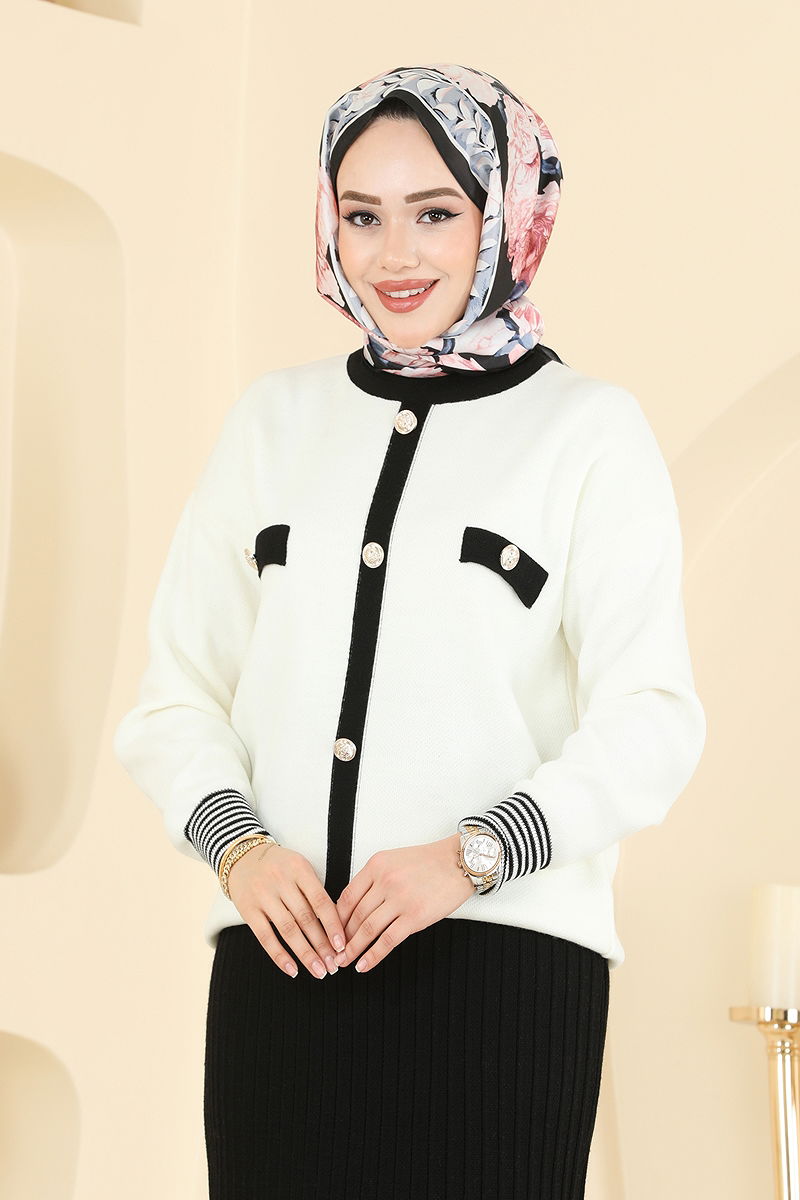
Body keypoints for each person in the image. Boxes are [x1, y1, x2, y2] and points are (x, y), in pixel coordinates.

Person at [113, 62, 707, 1199]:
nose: (394, 255)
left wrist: (472, 855)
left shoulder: (587, 432)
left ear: (505, 215)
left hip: (502, 982)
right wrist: (239, 848)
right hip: (278, 972)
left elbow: (652, 719)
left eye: (434, 213)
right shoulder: (272, 421)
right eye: (362, 215)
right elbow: (174, 696)